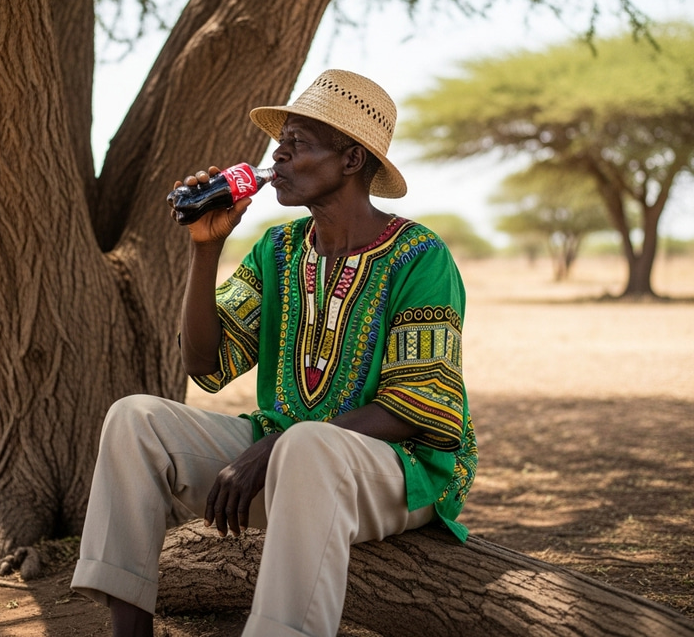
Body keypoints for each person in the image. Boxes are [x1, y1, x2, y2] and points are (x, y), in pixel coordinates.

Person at [71, 69, 477, 637]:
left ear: (352, 160)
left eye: (298, 145)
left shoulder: (419, 257)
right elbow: (203, 365)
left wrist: (278, 445)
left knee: (309, 445)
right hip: (289, 463)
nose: (278, 158)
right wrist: (205, 251)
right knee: (134, 419)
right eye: (278, 145)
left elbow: (415, 405)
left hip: (399, 476)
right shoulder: (278, 249)